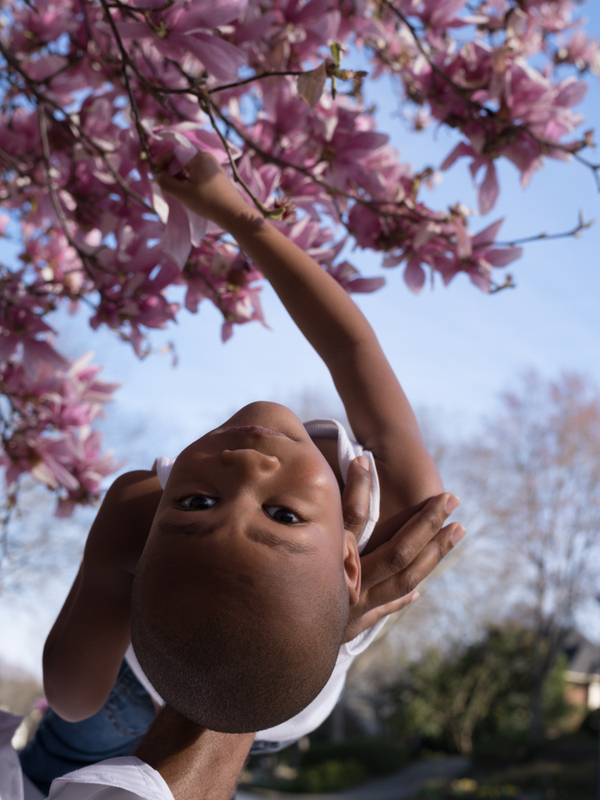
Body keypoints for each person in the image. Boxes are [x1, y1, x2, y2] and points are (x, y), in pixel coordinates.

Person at [19, 150, 465, 791]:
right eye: (281, 516)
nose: (245, 471)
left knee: (59, 752)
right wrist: (237, 214)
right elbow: (351, 347)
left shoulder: (142, 513)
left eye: (197, 506)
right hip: (252, 719)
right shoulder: (396, 520)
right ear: (348, 563)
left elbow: (69, 696)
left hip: (111, 708)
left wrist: (112, 560)